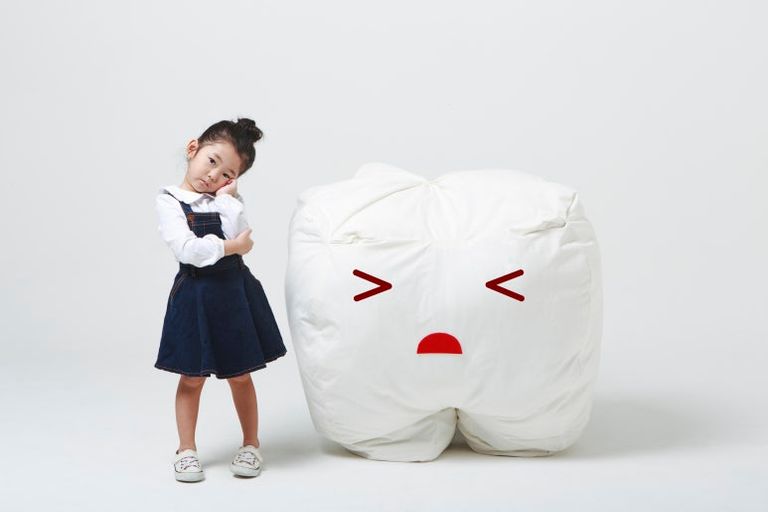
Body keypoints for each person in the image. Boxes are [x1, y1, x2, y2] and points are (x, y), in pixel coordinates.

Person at [154, 117, 287, 482]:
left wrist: (229, 201)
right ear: (193, 148)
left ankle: (251, 444)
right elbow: (189, 250)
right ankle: (186, 450)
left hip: (233, 293)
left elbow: (242, 233)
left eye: (227, 174)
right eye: (212, 161)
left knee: (240, 374)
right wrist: (231, 247)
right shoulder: (170, 201)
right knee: (191, 377)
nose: (214, 176)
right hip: (195, 295)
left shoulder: (226, 201)